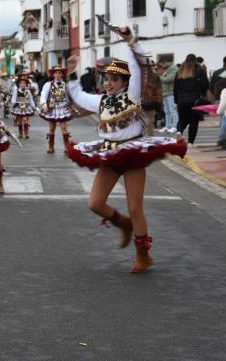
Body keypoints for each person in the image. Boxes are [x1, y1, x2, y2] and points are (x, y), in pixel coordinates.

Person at [65, 27, 187, 273]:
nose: (109, 83)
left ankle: (143, 255)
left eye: (114, 80)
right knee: (95, 203)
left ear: (124, 82)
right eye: (106, 79)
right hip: (109, 155)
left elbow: (139, 64)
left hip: (131, 155)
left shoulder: (133, 96)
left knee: (135, 206)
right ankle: (123, 224)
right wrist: (72, 71)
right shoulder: (101, 101)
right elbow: (77, 94)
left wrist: (131, 41)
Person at [174, 54, 209, 146]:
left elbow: (175, 88)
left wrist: (176, 101)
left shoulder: (180, 71)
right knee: (193, 121)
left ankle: (179, 131)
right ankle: (190, 143)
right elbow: (205, 84)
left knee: (182, 119)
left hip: (181, 100)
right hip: (195, 101)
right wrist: (204, 94)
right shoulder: (199, 70)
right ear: (195, 60)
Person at [39, 65, 74, 154]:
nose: (58, 75)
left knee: (64, 128)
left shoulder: (65, 85)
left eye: (59, 73)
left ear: (62, 75)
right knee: (51, 128)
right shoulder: (48, 84)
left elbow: (69, 96)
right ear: (53, 74)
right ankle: (51, 146)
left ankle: (67, 147)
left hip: (62, 108)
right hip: (52, 108)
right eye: (56, 73)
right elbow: (43, 95)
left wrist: (71, 105)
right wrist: (44, 105)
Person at [10, 72, 36, 139]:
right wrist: (13, 103)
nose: (23, 84)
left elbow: (30, 99)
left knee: (25, 119)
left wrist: (33, 106)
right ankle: (20, 133)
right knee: (20, 120)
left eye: (24, 83)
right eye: (21, 83)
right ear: (19, 84)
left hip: (26, 107)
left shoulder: (28, 91)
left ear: (26, 84)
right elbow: (14, 97)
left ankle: (27, 133)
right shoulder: (16, 90)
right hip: (19, 107)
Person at [141, 61, 162, 136]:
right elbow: (159, 91)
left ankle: (146, 142)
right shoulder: (155, 76)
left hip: (145, 103)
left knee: (146, 125)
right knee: (149, 124)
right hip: (148, 103)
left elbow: (158, 91)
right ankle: (147, 142)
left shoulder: (138, 75)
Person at [158, 57, 179, 133]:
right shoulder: (167, 69)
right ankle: (168, 126)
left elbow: (169, 79)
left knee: (172, 110)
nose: (161, 66)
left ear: (166, 62)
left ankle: (175, 126)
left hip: (171, 93)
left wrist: (159, 77)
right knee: (167, 111)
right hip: (165, 93)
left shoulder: (173, 68)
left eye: (162, 64)